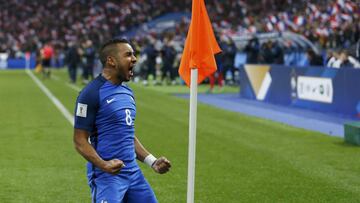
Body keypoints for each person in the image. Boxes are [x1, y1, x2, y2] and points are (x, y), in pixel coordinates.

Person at [73, 38, 171, 203]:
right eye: (128, 55)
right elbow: (79, 140)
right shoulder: (91, 93)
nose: (134, 59)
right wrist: (104, 165)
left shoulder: (127, 92)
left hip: (133, 173)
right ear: (111, 60)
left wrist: (152, 161)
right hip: (107, 177)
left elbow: (127, 134)